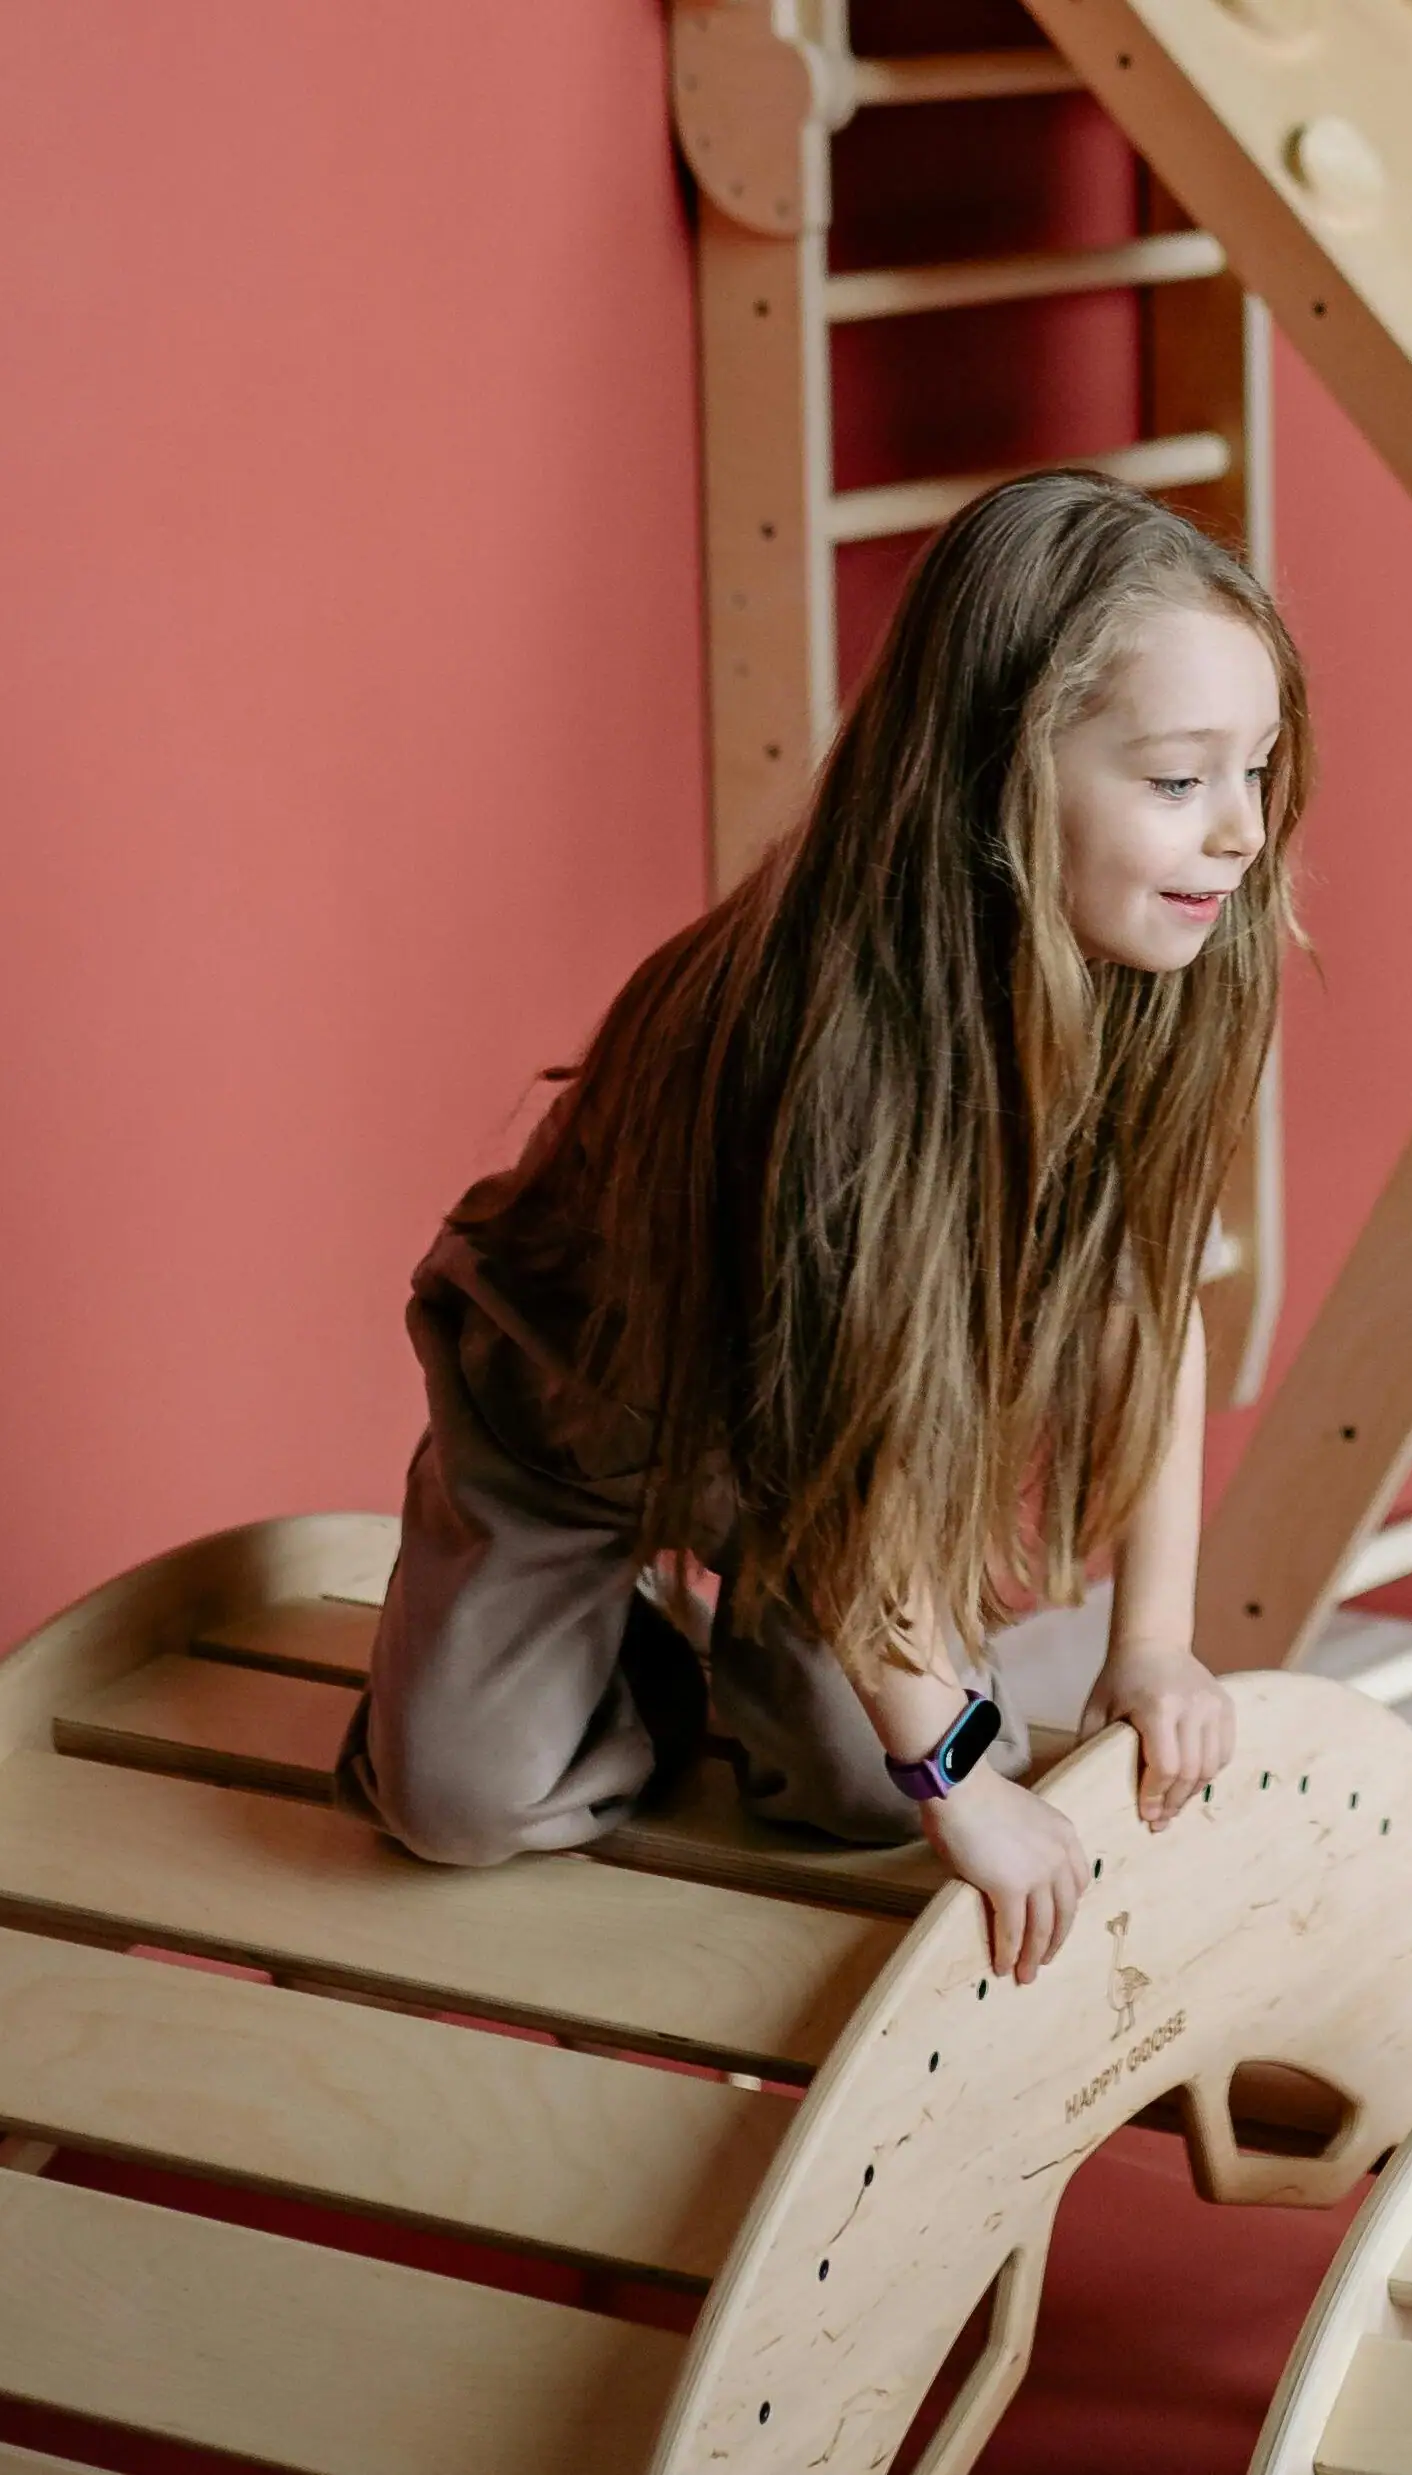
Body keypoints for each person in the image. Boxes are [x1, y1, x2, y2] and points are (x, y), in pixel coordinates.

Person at [339, 470, 1303, 1985]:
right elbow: (821, 1433)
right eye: (1178, 780)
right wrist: (956, 1779)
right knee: (463, 1805)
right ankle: (600, 1638)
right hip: (583, 1409)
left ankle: (770, 1634)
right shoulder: (820, 1038)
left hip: (824, 1453)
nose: (1242, 833)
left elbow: (1144, 1299)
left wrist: (1152, 1639)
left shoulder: (1149, 964)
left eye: (1257, 768)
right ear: (999, 772)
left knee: (860, 1797)